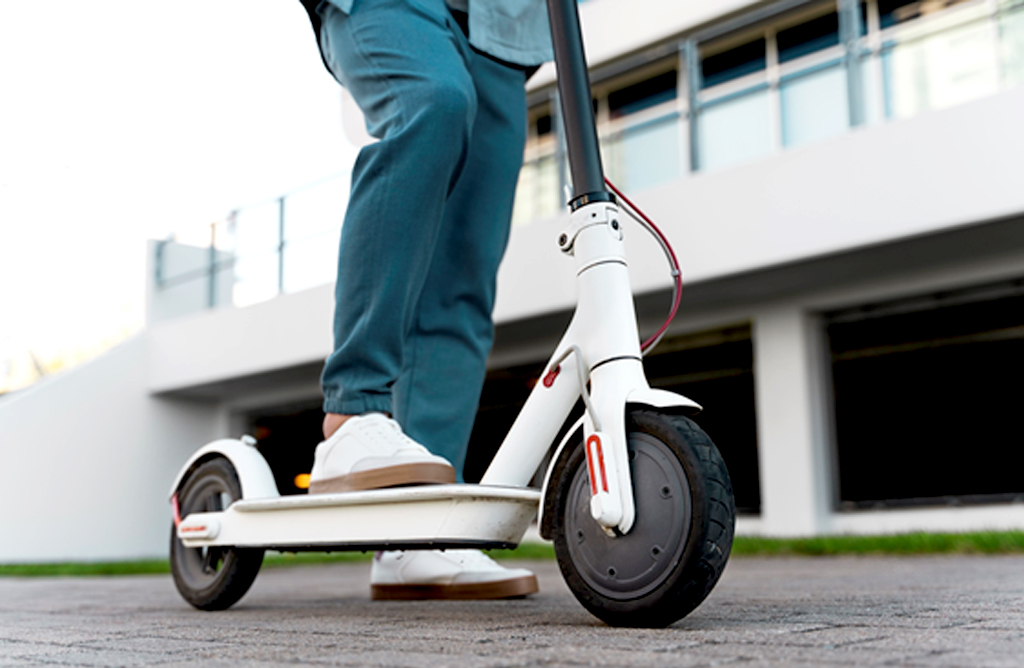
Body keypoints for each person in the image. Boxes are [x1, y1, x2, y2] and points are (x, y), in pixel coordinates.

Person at [296, 0, 552, 599]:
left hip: (503, 27)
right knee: (432, 103)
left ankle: (417, 536)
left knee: (464, 273)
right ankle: (351, 412)